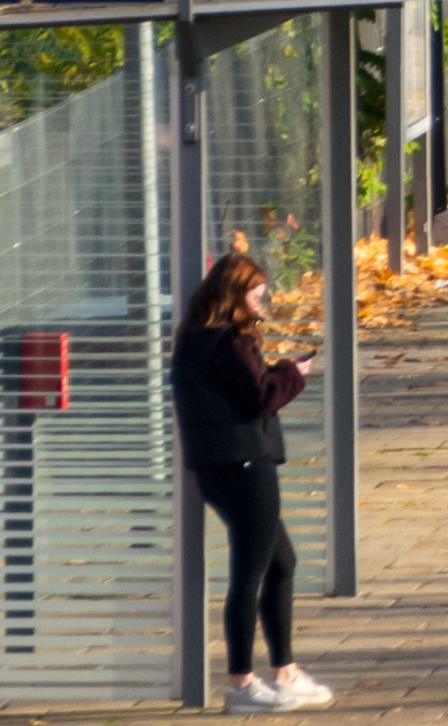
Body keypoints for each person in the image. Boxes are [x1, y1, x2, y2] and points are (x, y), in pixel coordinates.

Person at [171, 250, 321, 709]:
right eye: (256, 294)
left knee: (282, 563)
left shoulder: (194, 339)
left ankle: (286, 671)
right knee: (251, 573)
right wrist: (293, 375)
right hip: (245, 465)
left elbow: (242, 391)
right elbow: (259, 397)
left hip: (220, 465)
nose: (262, 302)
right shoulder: (227, 341)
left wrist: (276, 371)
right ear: (236, 296)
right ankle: (241, 683)